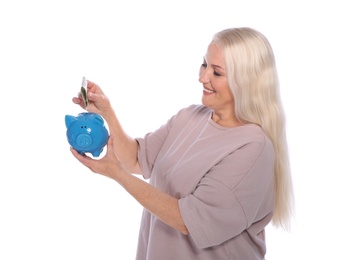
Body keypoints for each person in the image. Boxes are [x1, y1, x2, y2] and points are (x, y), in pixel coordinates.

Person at [70, 27, 294, 260]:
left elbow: (189, 221)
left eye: (216, 73)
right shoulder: (190, 117)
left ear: (246, 82)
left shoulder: (252, 148)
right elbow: (136, 158)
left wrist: (117, 175)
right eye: (204, 64)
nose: (202, 77)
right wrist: (107, 113)